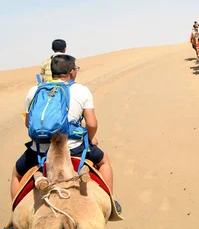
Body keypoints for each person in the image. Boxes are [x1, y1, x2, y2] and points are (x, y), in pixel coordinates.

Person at [11, 54, 120, 210]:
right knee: (104, 162)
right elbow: (92, 123)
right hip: (73, 148)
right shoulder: (81, 90)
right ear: (72, 71)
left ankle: (14, 215)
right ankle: (111, 201)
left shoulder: (34, 90)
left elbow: (29, 124)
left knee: (17, 173)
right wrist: (90, 138)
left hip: (39, 151)